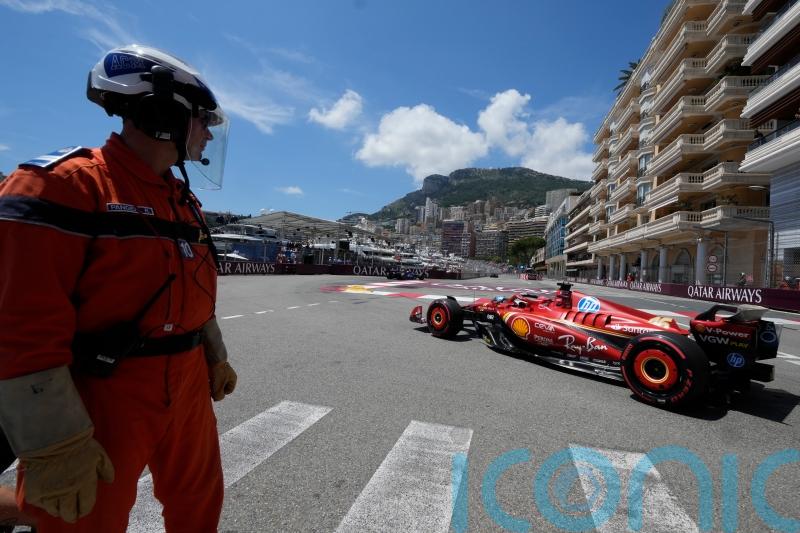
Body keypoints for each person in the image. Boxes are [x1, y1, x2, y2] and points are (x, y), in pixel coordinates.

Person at [0, 45, 238, 532]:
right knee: (85, 519)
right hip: (103, 390)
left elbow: (194, 290)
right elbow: (19, 330)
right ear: (165, 113)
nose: (209, 133)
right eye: (201, 119)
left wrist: (214, 355)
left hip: (188, 382)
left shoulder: (182, 201)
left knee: (200, 508)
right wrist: (54, 442)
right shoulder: (61, 186)